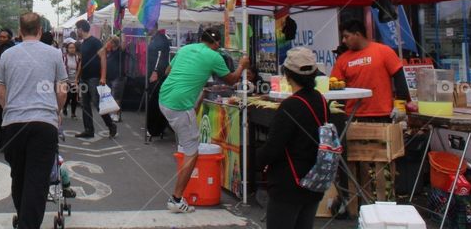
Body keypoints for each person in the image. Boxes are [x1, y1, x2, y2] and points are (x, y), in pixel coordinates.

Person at [158, 39, 249, 213]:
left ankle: (182, 189)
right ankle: (176, 199)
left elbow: (168, 70)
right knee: (192, 151)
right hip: (179, 105)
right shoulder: (214, 56)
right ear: (215, 43)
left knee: (187, 143)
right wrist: (242, 65)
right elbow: (232, 80)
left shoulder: (186, 48)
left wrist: (194, 76)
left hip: (164, 98)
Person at [0, 12, 67, 229]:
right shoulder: (54, 54)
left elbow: (1, 89)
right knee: (37, 180)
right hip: (44, 122)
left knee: (18, 176)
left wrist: (8, 109)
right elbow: (62, 88)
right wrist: (57, 110)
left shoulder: (7, 55)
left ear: (19, 31)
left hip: (14, 122)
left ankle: (24, 219)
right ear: (39, 30)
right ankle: (28, 224)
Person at [255, 47, 329, 229]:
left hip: (289, 183)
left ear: (287, 75)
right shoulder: (321, 100)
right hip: (314, 179)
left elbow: (273, 147)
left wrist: (255, 161)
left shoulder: (290, 106)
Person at [330, 20, 410, 121]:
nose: (343, 41)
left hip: (383, 114)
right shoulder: (342, 59)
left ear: (357, 34)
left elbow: (399, 77)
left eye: (346, 36)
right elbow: (335, 89)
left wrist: (400, 104)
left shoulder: (384, 51)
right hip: (354, 115)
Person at [74, 20, 116, 139]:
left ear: (81, 29)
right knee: (85, 105)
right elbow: (82, 61)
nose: (77, 31)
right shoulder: (83, 43)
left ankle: (111, 125)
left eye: (77, 29)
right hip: (84, 78)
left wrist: (103, 77)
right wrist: (77, 77)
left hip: (94, 78)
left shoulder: (95, 42)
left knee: (98, 104)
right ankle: (88, 130)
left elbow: (103, 58)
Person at [104, 36, 126, 122]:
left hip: (118, 77)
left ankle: (116, 114)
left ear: (114, 43)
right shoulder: (109, 51)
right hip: (109, 76)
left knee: (116, 96)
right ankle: (111, 113)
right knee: (110, 95)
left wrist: (122, 31)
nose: (108, 43)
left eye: (110, 41)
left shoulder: (120, 51)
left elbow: (124, 43)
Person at [146, 27, 171, 92]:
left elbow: (161, 55)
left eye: (148, 27)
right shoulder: (154, 38)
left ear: (153, 27)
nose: (146, 29)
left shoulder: (160, 39)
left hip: (158, 73)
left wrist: (155, 71)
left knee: (155, 93)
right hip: (154, 71)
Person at [62, 42, 81, 119]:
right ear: (67, 49)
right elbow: (62, 69)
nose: (72, 49)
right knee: (68, 95)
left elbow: (79, 68)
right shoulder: (64, 57)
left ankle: (73, 113)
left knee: (74, 96)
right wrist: (66, 81)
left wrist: (76, 79)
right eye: (70, 48)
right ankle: (64, 107)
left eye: (73, 48)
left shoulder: (77, 57)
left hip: (75, 79)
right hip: (66, 79)